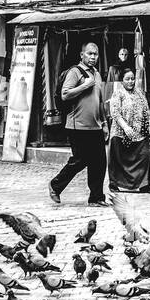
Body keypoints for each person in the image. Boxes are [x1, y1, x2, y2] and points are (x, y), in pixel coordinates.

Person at [49, 42, 108, 206]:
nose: (93, 57)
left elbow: (100, 101)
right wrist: (84, 85)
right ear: (82, 55)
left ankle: (96, 197)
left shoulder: (96, 74)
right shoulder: (75, 72)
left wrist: (104, 123)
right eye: (89, 54)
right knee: (80, 160)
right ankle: (55, 185)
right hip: (77, 125)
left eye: (95, 54)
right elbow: (65, 94)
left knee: (99, 162)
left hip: (95, 125)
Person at [107, 69, 150, 193]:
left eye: (133, 78)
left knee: (144, 155)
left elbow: (146, 111)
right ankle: (114, 184)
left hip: (139, 132)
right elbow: (115, 113)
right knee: (117, 159)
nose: (131, 81)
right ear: (122, 80)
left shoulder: (139, 93)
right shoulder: (118, 94)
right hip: (121, 133)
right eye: (127, 79)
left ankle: (144, 185)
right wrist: (126, 128)